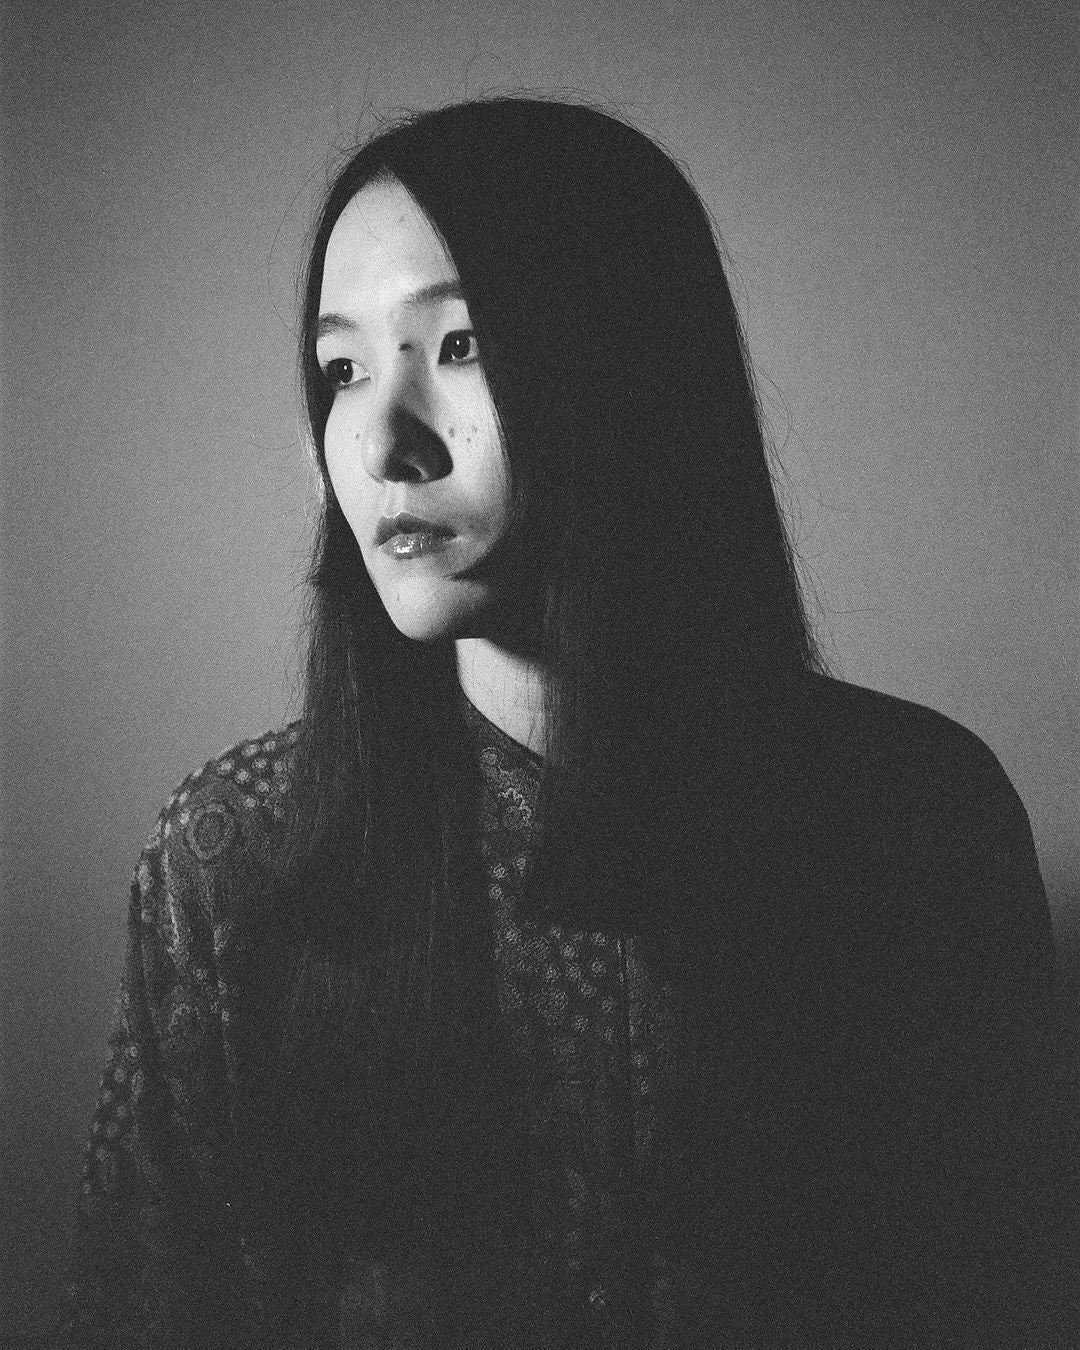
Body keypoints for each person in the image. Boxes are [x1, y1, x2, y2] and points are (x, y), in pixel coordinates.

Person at [62, 97, 1068, 1347]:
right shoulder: (237, 857)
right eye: (342, 370)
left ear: (631, 370)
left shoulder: (914, 816)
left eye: (463, 344)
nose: (383, 443)